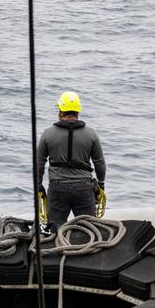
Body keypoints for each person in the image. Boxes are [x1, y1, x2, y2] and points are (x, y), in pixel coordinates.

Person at [36, 91, 107, 230]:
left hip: (57, 188)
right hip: (84, 189)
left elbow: (38, 163)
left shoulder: (47, 134)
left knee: (55, 232)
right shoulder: (91, 134)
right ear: (78, 111)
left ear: (61, 111)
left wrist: (38, 186)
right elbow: (100, 164)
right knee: (89, 230)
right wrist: (101, 185)